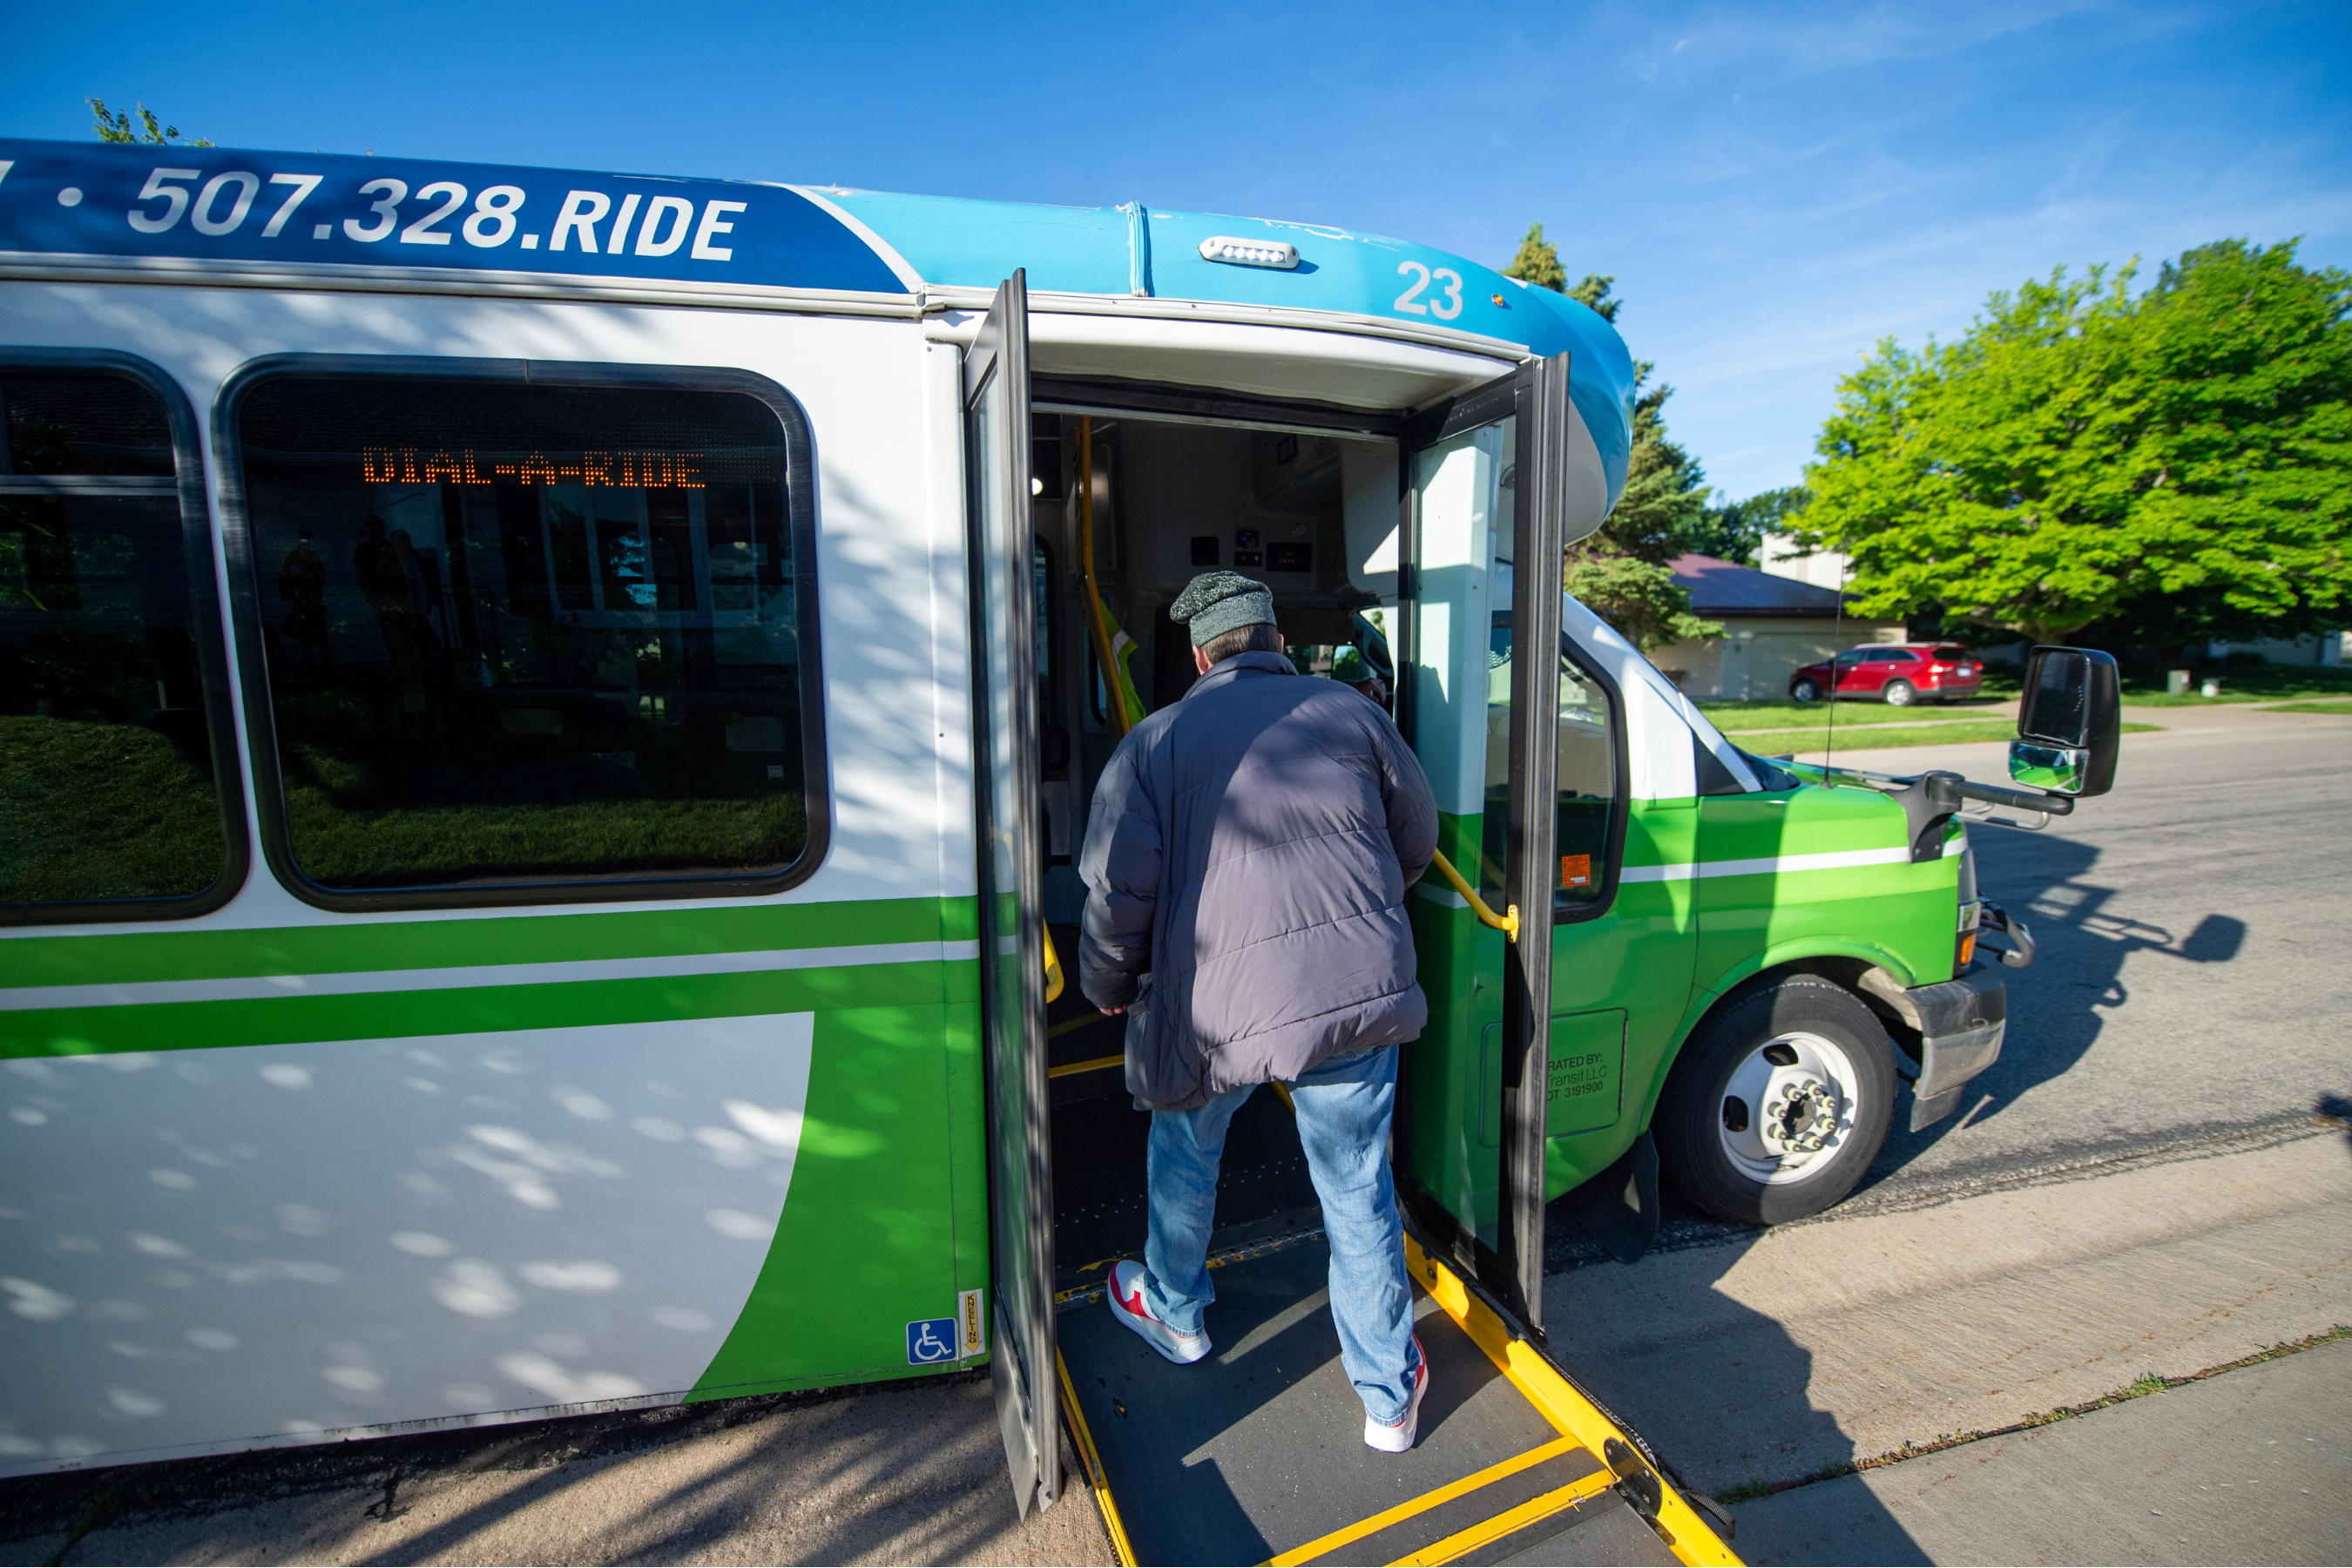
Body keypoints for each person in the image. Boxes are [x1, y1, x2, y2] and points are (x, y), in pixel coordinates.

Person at [1078, 571, 1441, 1453]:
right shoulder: (1355, 716)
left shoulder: (1154, 744)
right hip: (1356, 1000)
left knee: (1187, 1147)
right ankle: (1388, 1399)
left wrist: (1107, 986)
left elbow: (1119, 893)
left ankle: (1175, 1313)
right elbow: (1416, 837)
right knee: (1357, 1189)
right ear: (1277, 640)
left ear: (1202, 654)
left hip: (1215, 1011)